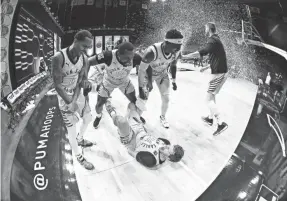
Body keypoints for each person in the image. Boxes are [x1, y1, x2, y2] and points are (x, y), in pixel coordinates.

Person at [51, 30, 94, 170]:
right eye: (84, 46)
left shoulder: (84, 59)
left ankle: (80, 140)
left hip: (76, 94)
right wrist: (70, 102)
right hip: (64, 96)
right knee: (71, 129)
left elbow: (81, 81)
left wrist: (85, 86)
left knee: (88, 118)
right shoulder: (58, 58)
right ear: (75, 41)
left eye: (88, 47)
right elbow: (57, 86)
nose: (86, 50)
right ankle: (78, 156)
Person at [105, 99, 184, 169]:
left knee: (121, 121)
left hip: (130, 138)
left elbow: (130, 151)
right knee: (132, 105)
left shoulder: (152, 160)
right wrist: (141, 127)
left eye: (168, 149)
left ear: (168, 158)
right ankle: (129, 118)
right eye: (169, 146)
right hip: (140, 129)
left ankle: (111, 111)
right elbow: (151, 138)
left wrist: (126, 140)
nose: (166, 146)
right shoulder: (166, 143)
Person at [182, 22, 228, 136]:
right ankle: (210, 118)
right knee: (212, 96)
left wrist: (184, 56)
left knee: (208, 100)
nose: (204, 30)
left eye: (205, 28)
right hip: (220, 72)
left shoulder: (213, 40)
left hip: (218, 73)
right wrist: (207, 66)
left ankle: (221, 123)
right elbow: (218, 56)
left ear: (209, 29)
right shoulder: (216, 40)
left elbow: (201, 52)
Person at [88, 42, 144, 129]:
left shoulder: (136, 57)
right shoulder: (108, 55)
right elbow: (88, 62)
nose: (130, 61)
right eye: (127, 58)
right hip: (108, 82)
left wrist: (147, 82)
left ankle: (134, 116)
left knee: (134, 101)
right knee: (99, 105)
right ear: (118, 54)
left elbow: (147, 67)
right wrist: (84, 78)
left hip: (124, 82)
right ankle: (99, 116)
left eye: (131, 58)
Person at [138, 29, 183, 128]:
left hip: (162, 74)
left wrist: (174, 80)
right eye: (176, 46)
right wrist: (143, 86)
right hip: (147, 74)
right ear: (167, 43)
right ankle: (136, 118)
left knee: (166, 99)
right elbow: (142, 70)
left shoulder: (177, 51)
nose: (178, 49)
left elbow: (173, 65)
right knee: (143, 98)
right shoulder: (151, 52)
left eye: (180, 46)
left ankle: (163, 117)